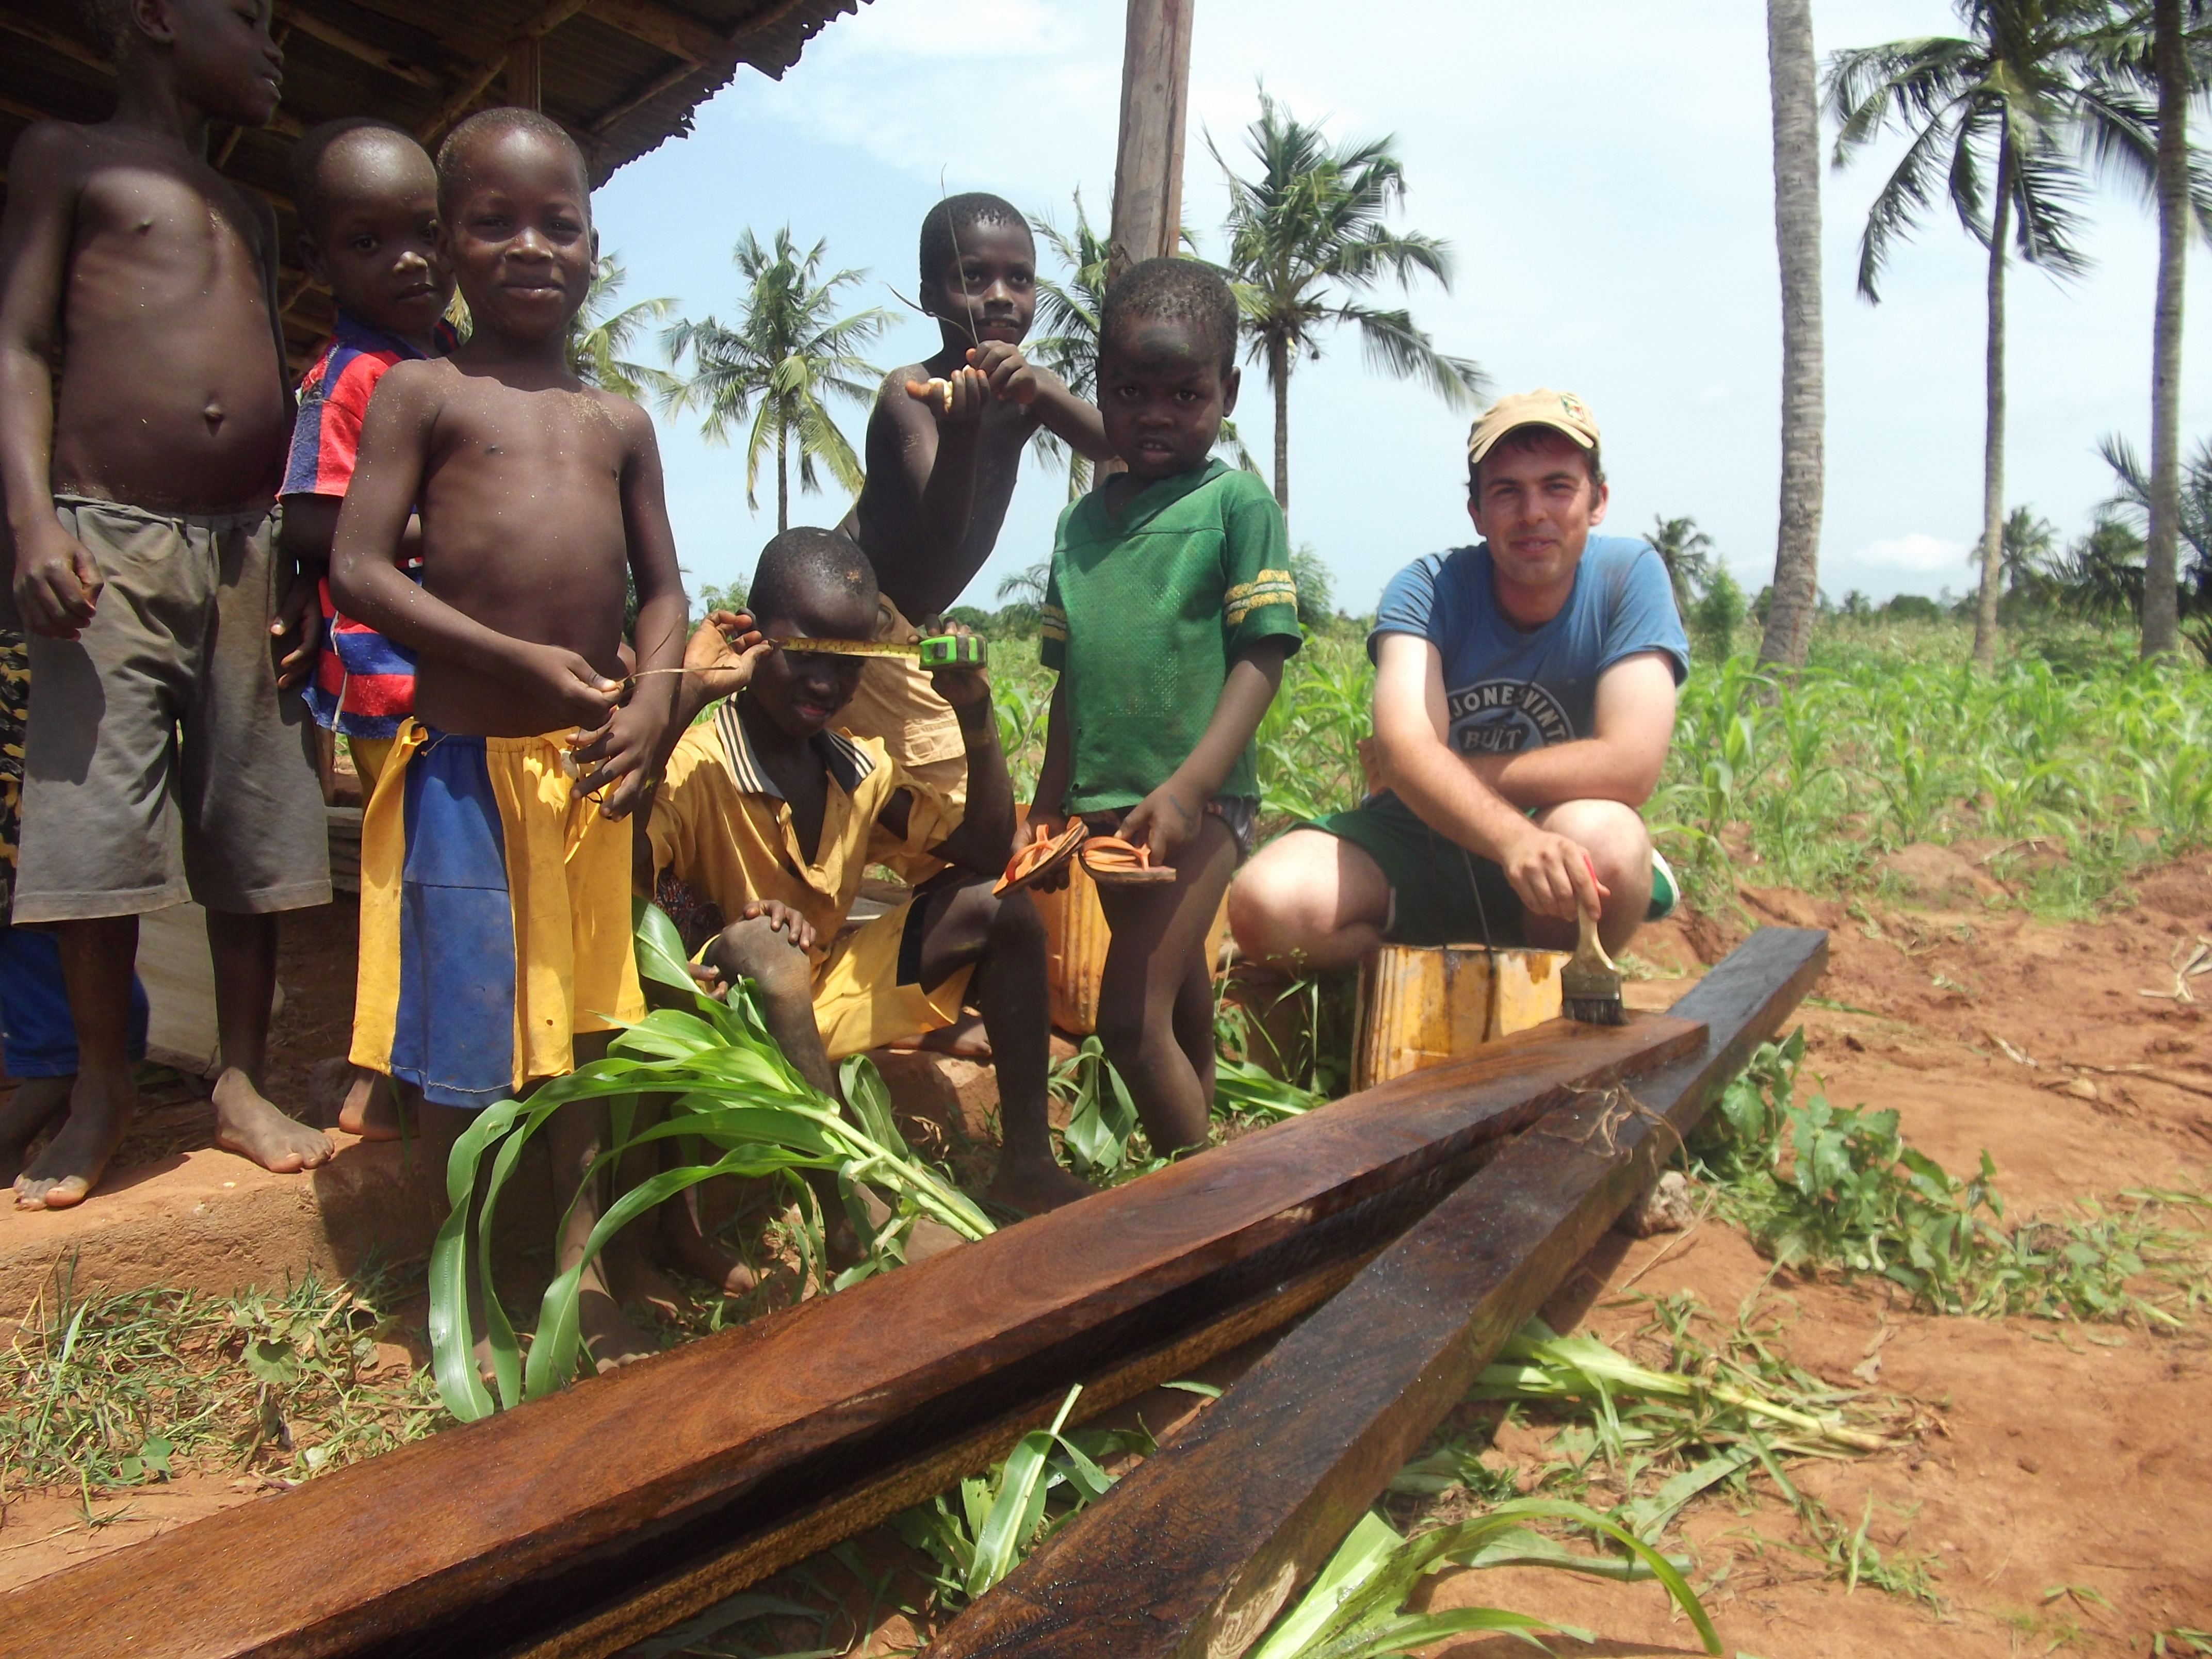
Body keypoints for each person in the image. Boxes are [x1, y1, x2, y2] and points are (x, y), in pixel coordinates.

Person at [329, 107, 689, 1370]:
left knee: (591, 1032)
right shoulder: (424, 392)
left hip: (588, 779)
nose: (531, 246)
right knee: (469, 1047)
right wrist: (510, 658)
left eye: (560, 223)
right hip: (469, 779)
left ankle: (588, 1269)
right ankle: (469, 1291)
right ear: (452, 243)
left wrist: (651, 695)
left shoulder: (619, 420)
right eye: (495, 223)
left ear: (596, 244)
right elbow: (360, 569)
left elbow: (663, 588)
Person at [0, 0, 335, 1210]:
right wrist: (33, 520)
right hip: (105, 539)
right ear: (152, 18)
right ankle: (99, 1085)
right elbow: (19, 345)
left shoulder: (248, 210)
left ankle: (239, 1077)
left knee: (255, 813)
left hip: (247, 547)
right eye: (244, 18)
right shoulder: (66, 158)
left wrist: (300, 561)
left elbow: (284, 399)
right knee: (95, 828)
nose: (270, 44)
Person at [643, 527, 1091, 1224]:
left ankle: (1028, 1162)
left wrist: (975, 718)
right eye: (804, 654)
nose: (826, 682)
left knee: (998, 909)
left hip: (822, 995)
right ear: (751, 638)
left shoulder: (857, 767)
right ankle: (847, 1211)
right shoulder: (694, 763)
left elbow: (981, 853)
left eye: (848, 662)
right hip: (733, 1018)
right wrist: (687, 696)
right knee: (768, 951)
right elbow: (626, 870)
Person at [1227, 389, 1689, 970]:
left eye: (1557, 486)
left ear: (1597, 500)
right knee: (1268, 902)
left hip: (1555, 836)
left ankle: (1547, 994)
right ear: (1475, 512)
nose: (1533, 513)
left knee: (1609, 838)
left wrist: (1433, 775)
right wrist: (1495, 829)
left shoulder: (1628, 576)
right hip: (1415, 836)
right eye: (1506, 491)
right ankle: (1404, 980)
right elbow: (1405, 749)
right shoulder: (1428, 588)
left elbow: (1629, 763)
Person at [1028, 257, 1303, 1159]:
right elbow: (1072, 677)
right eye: (1128, 391)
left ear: (1225, 391)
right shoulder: (1079, 525)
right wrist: (1044, 805)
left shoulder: (1234, 506)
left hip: (1196, 808)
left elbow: (1260, 656)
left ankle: (1211, 1212)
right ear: (1098, 389)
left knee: (1126, 1021)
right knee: (1178, 995)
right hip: (1109, 813)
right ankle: (1205, 1142)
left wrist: (1190, 791)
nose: (1154, 413)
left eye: (1183, 393)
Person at [278, 116, 456, 1143]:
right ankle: (372, 1068)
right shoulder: (347, 374)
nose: (410, 260)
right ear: (319, 260)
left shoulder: (443, 358)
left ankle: (410, 1056)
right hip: (389, 674)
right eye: (369, 242)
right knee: (398, 877)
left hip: (453, 672)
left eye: (424, 233)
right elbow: (308, 513)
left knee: (442, 869)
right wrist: (459, 522)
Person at [839, 192, 1113, 822]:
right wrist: (962, 429)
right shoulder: (911, 392)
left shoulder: (1022, 392)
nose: (999, 296)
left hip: (909, 627)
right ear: (930, 296)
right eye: (973, 277)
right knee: (934, 805)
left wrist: (1044, 387)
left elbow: (1109, 443)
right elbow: (944, 530)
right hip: (856, 610)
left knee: (911, 802)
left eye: (1019, 279)